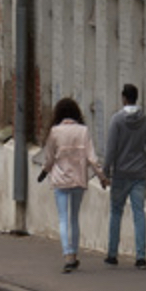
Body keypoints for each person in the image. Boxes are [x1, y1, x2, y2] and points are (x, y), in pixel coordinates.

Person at [39, 96, 105, 272]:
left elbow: (49, 158)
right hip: (78, 178)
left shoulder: (54, 132)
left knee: (62, 218)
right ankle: (74, 254)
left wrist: (44, 172)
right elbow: (92, 157)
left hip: (60, 179)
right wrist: (101, 176)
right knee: (74, 218)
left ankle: (67, 254)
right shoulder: (83, 131)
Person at [104, 83, 146, 268]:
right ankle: (141, 256)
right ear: (136, 97)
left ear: (123, 98)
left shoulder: (116, 120)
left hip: (120, 174)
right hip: (139, 174)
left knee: (116, 212)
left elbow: (110, 149)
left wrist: (105, 170)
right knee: (139, 213)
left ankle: (112, 254)